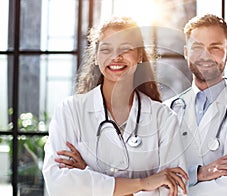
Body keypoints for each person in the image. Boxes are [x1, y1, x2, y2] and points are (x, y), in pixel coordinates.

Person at [42, 16, 188, 196]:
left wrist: (89, 175)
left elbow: (176, 189)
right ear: (96, 57)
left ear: (139, 56)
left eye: (126, 49)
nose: (116, 57)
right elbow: (60, 185)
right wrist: (144, 183)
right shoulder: (70, 111)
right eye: (106, 49)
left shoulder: (163, 117)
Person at [164, 14, 227, 195]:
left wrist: (176, 185)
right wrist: (199, 173)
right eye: (197, 47)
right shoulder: (166, 110)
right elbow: (151, 180)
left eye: (215, 47)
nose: (205, 56)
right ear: (186, 52)